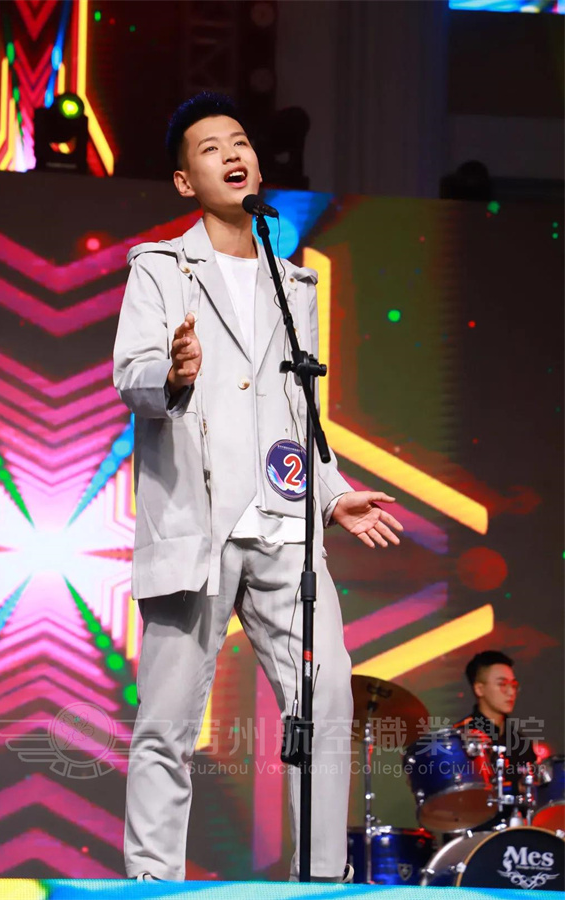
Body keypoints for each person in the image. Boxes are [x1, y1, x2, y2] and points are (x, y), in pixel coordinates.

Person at [113, 91, 404, 883]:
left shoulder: (293, 283)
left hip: (284, 524)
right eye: (211, 149)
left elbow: (299, 411)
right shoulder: (160, 267)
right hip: (199, 523)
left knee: (327, 696)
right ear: (185, 181)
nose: (232, 155)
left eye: (238, 142)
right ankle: (151, 881)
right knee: (169, 719)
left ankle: (321, 878)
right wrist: (172, 374)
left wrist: (331, 494)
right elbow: (130, 373)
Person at [455, 650, 537, 828]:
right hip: (474, 833)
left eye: (514, 685)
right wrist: (514, 787)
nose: (510, 692)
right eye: (502, 684)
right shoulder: (460, 738)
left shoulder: (521, 742)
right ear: (479, 689)